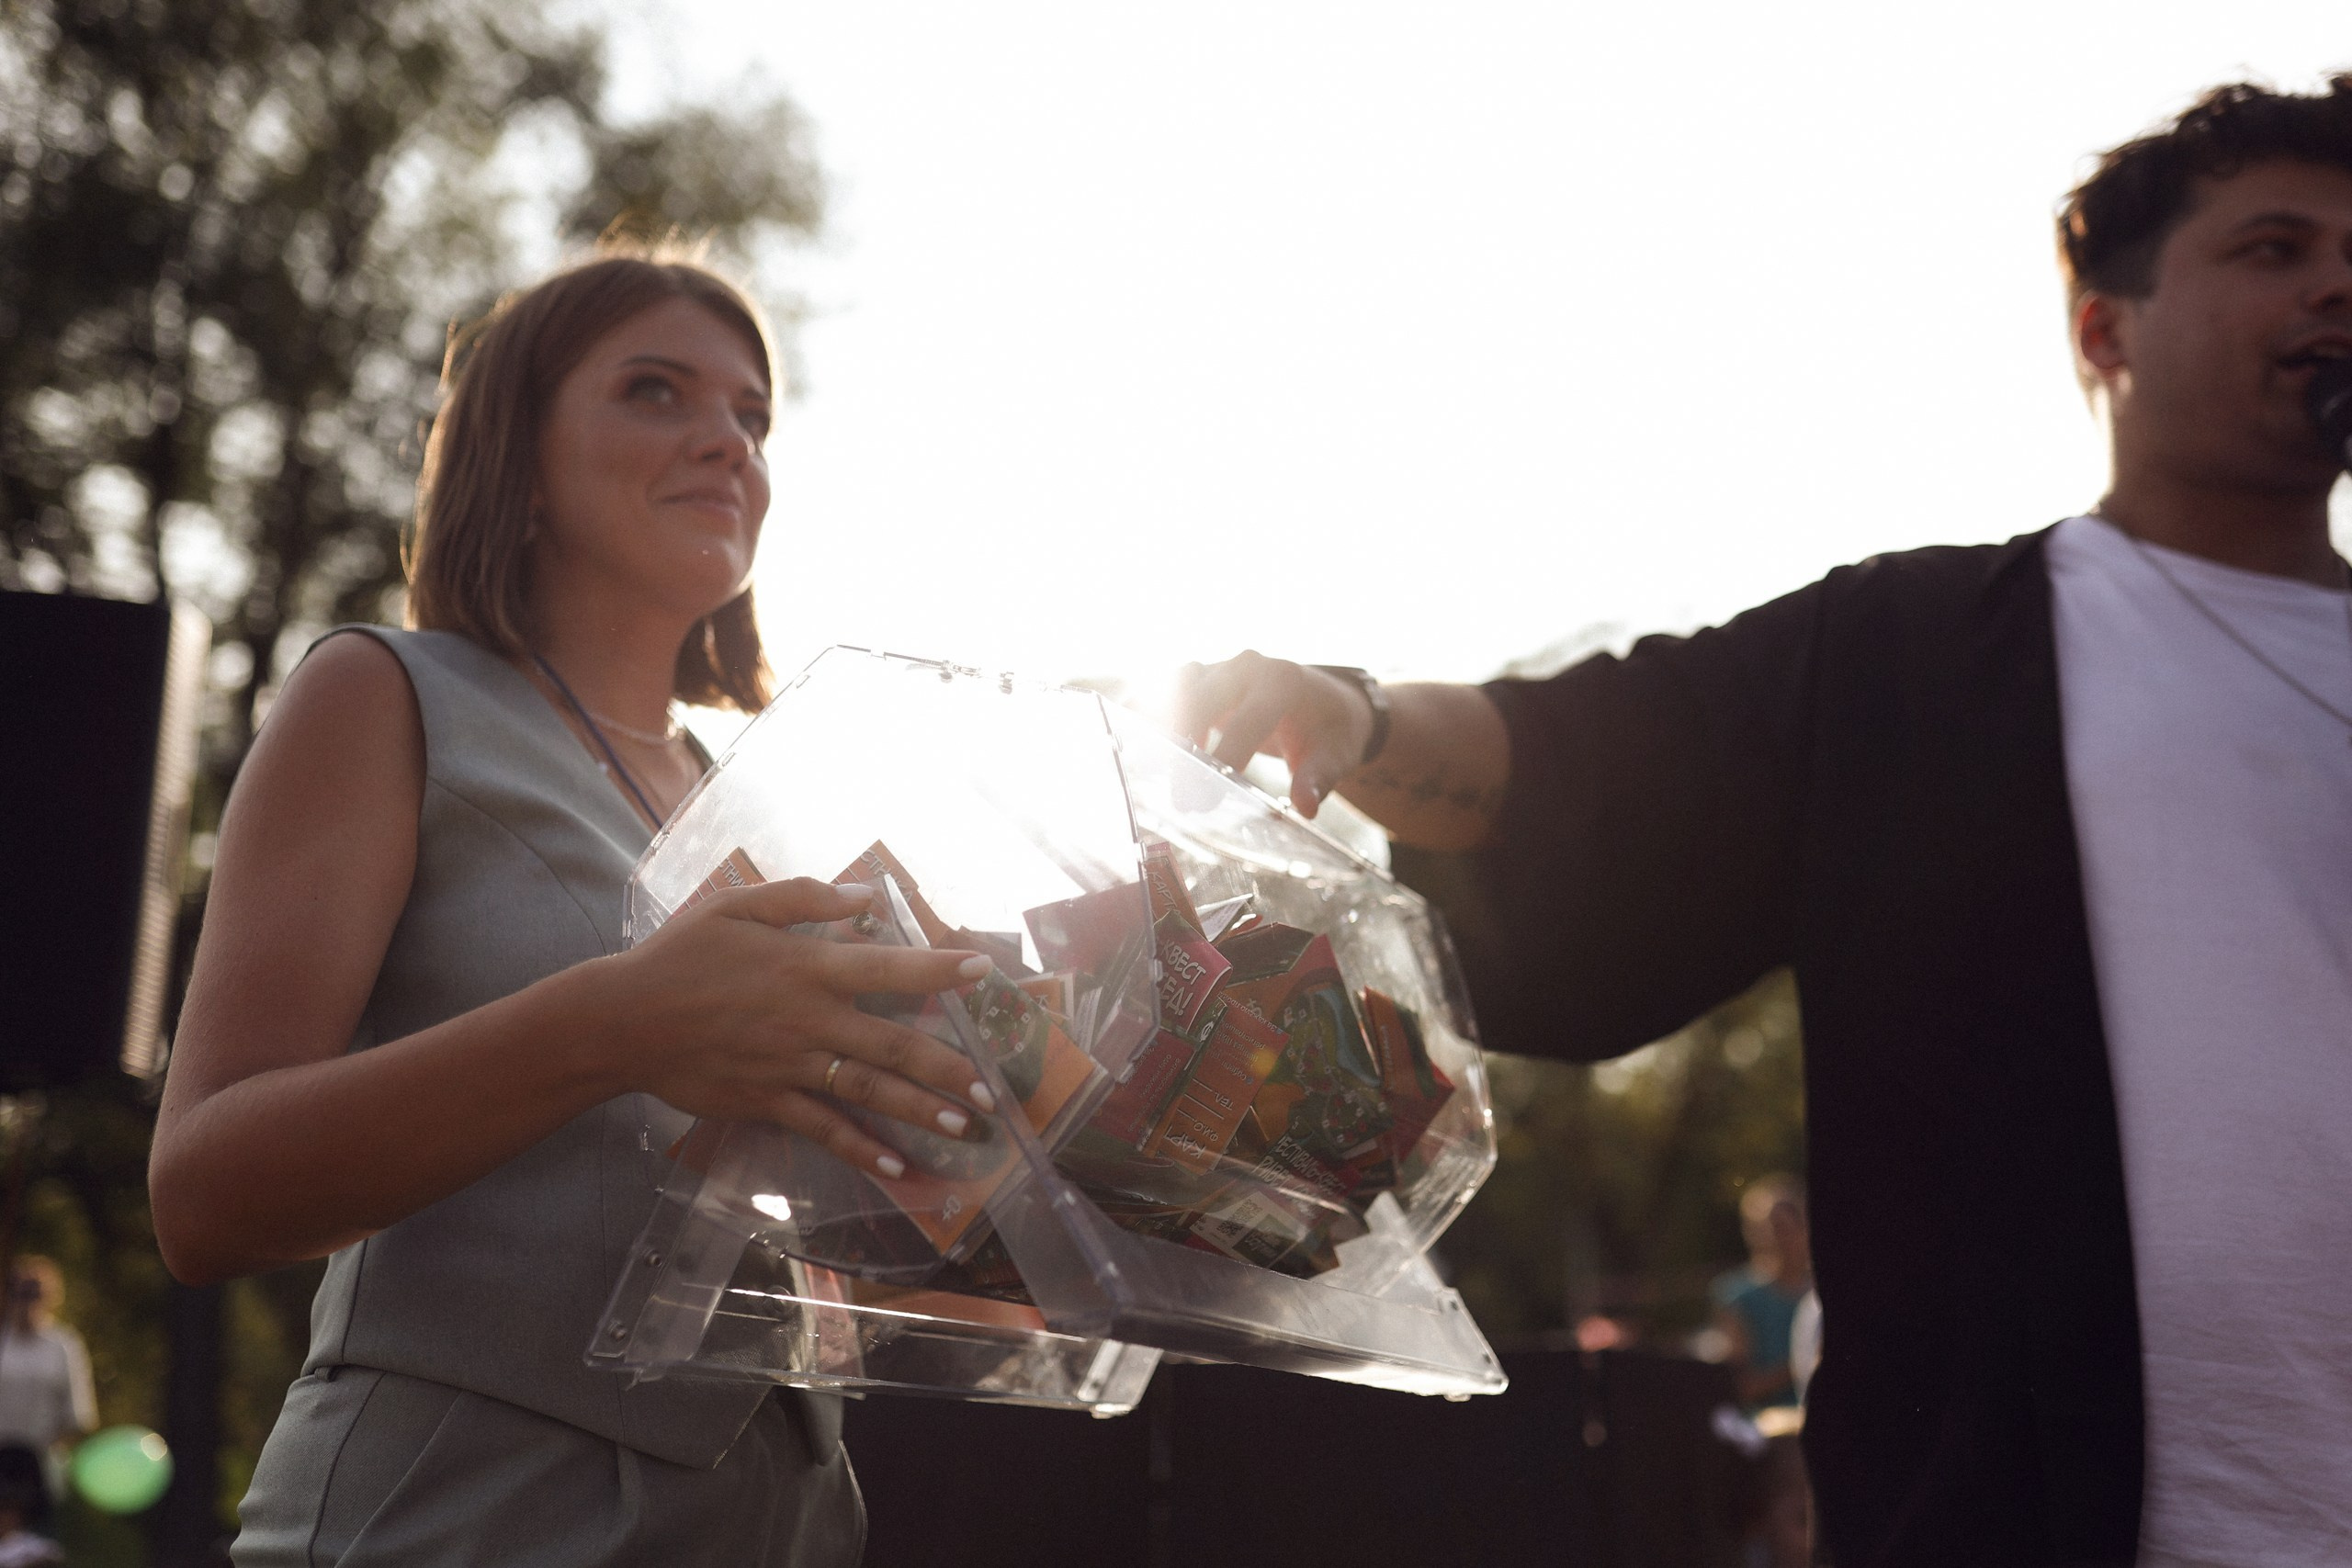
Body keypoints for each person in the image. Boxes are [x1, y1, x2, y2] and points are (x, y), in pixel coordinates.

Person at [1179, 77, 2352, 1567]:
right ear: (2104, 331)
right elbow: (1588, 769)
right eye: (2275, 248)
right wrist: (1352, 717)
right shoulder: (1922, 655)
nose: (2336, 283)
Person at [150, 246, 1004, 1566]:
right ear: (519, 453)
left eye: (751, 415)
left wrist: (1029, 1114)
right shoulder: (386, 694)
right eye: (656, 390)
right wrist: (616, 1024)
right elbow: (203, 1192)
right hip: (450, 1519)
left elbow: (836, 1226)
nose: (725, 439)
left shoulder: (772, 801)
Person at [1709, 1176, 1810, 1414]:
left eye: (1784, 1228)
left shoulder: (1815, 1292)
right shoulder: (1736, 1295)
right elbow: (1738, 1387)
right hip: (1768, 1424)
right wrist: (1798, 1368)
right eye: (1764, 1229)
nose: (1775, 1239)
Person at [0, 1258, 96, 1492]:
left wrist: (38, 1452)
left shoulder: (64, 1346)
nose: (27, 1302)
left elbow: (80, 1416)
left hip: (40, 1474)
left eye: (35, 1293)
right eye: (21, 1292)